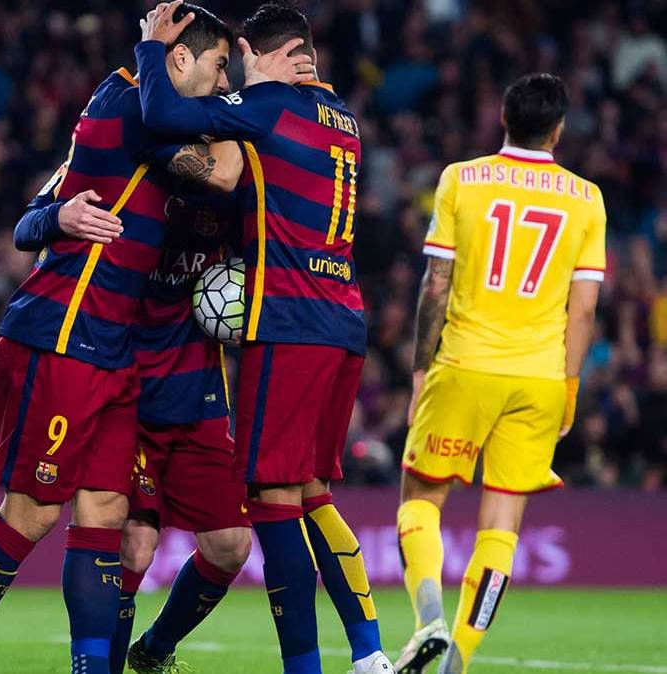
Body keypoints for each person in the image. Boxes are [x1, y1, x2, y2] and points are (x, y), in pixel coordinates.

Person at [0, 6, 268, 673]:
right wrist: (55, 217)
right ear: (177, 58)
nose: (225, 84)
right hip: (61, 334)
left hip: (113, 350)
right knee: (31, 514)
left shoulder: (147, 113)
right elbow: (217, 173)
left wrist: (55, 215)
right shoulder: (130, 102)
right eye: (220, 66)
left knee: (105, 509)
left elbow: (34, 214)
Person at [134, 3, 392, 673]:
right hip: (344, 322)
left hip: (289, 323)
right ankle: (369, 654)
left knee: (272, 500)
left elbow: (163, 114)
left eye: (236, 61)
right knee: (313, 493)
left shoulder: (269, 103)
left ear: (252, 51)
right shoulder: (343, 118)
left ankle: (304, 667)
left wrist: (149, 51)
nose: (231, 77)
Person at [395, 73, 604, 674]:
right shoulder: (587, 198)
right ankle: (458, 659)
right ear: (557, 130)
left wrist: (419, 371)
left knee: (422, 499)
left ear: (504, 119)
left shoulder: (461, 179)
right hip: (539, 378)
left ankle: (428, 621)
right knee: (503, 525)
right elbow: (583, 309)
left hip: (465, 364)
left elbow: (435, 283)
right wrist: (569, 387)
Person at [15, 186, 251, 674]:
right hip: (126, 393)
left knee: (230, 546)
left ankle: (153, 649)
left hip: (198, 400)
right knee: (135, 543)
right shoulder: (115, 174)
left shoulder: (227, 186)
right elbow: (26, 226)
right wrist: (60, 216)